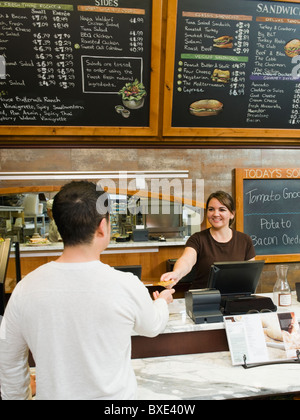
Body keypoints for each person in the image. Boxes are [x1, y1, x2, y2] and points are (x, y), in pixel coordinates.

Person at [0, 181, 174, 400]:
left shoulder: (25, 288)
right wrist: (162, 301)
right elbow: (152, 326)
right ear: (103, 227)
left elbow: (8, 361)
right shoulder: (126, 284)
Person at [161, 191, 256, 290]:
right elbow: (186, 261)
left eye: (222, 209)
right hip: (203, 299)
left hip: (235, 299)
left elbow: (251, 274)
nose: (215, 214)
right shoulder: (197, 239)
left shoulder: (245, 240)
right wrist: (176, 273)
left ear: (232, 214)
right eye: (211, 209)